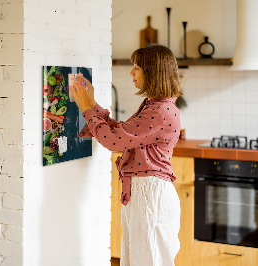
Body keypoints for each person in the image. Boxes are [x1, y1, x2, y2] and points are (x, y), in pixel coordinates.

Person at [70, 44, 182, 266]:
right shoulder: (155, 106)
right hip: (145, 195)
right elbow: (121, 133)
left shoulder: (159, 111)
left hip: (150, 197)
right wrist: (91, 104)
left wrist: (85, 108)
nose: (132, 73)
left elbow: (113, 141)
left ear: (153, 72)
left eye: (137, 67)